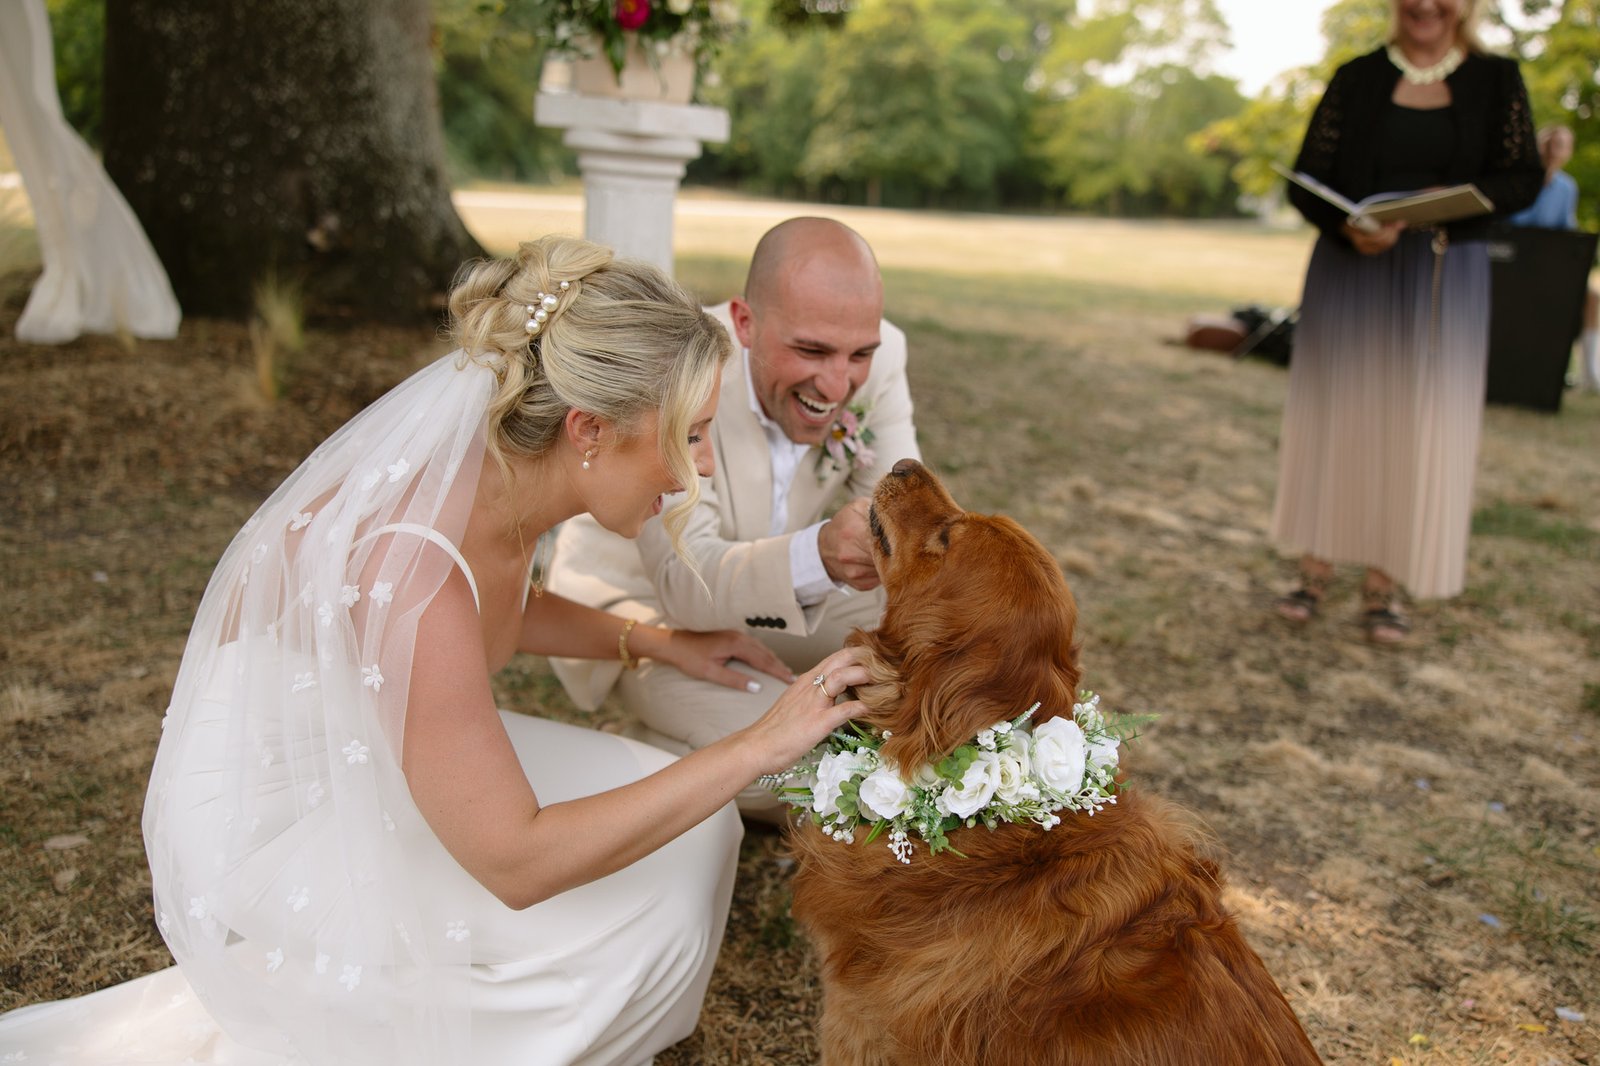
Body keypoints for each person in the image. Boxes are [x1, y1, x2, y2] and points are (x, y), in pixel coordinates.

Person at [0, 235, 870, 1066]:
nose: (701, 469)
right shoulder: (411, 567)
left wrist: (658, 642)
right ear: (590, 430)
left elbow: (506, 602)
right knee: (635, 903)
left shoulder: (504, 467)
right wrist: (760, 743)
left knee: (699, 839)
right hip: (284, 811)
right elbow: (517, 861)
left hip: (387, 737)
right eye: (687, 434)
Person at [547, 217, 918, 817]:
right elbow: (684, 586)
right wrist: (820, 553)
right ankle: (648, 760)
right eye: (811, 351)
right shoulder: (680, 363)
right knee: (812, 770)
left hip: (766, 595)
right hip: (651, 613)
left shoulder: (881, 356)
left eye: (860, 355)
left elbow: (908, 520)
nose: (838, 382)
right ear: (745, 322)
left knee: (932, 654)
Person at [1270, 0, 1542, 643]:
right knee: (1340, 416)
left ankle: (1384, 587)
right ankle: (1313, 571)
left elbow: (1522, 177)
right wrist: (1348, 226)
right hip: (1352, 268)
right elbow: (1307, 179)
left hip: (1446, 276)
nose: (1425, 4)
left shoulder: (1498, 78)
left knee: (1417, 423)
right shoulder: (1355, 76)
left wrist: (1438, 211)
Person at [1509, 124, 1600, 391]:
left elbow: (1566, 231)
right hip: (1515, 263)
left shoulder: (1566, 188)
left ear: (1567, 152)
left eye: (1560, 145)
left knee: (1592, 297)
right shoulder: (1519, 180)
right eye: (1549, 143)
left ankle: (1588, 374)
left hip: (1548, 266)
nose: (1553, 150)